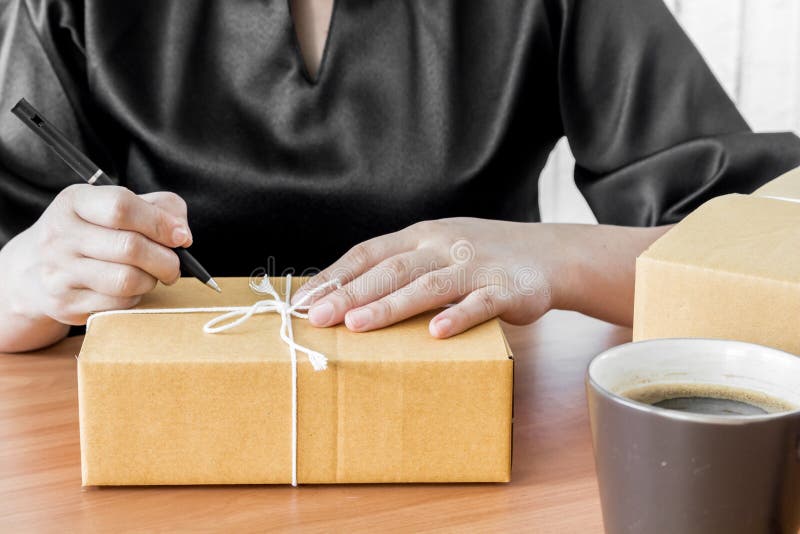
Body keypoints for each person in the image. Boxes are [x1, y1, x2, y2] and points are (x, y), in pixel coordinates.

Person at [1, 0, 799, 353]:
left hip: (477, 445)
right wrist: (23, 283)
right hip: (137, 455)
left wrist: (555, 259)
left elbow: (773, 251)